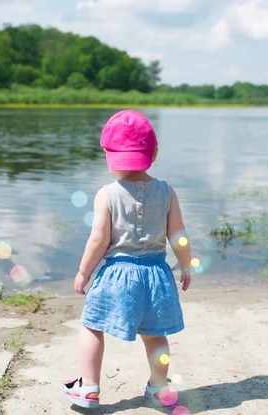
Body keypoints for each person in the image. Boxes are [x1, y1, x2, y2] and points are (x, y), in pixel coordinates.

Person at [62, 110, 192, 409]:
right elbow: (179, 234)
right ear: (154, 153)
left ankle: (89, 388)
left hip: (116, 275)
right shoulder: (166, 191)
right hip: (157, 274)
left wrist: (84, 273)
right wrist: (184, 264)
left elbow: (98, 239)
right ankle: (159, 388)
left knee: (92, 326)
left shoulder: (107, 194)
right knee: (155, 335)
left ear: (108, 154)